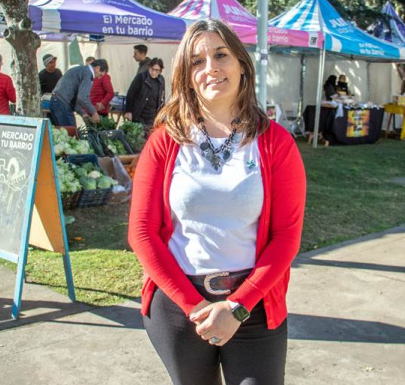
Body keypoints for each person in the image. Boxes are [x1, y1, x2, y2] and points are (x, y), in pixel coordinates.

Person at [128, 19, 306, 385]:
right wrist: (195, 307)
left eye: (221, 55)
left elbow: (286, 236)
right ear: (186, 74)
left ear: (242, 64)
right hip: (179, 306)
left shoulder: (275, 143)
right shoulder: (165, 141)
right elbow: (141, 234)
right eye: (197, 61)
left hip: (253, 305)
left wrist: (236, 307)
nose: (211, 68)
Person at [49, 60, 101, 127]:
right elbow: (82, 97)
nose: (99, 77)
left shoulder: (81, 70)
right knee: (71, 134)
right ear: (98, 68)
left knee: (64, 133)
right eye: (101, 74)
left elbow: (76, 96)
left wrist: (83, 113)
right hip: (62, 105)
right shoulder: (88, 74)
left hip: (56, 102)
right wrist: (94, 112)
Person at [125, 58, 165, 130]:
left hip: (152, 116)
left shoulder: (161, 80)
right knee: (137, 137)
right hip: (138, 114)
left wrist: (161, 114)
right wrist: (128, 111)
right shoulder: (141, 77)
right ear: (149, 67)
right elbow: (131, 94)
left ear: (160, 71)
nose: (154, 72)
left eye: (157, 70)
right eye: (152, 69)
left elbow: (162, 98)